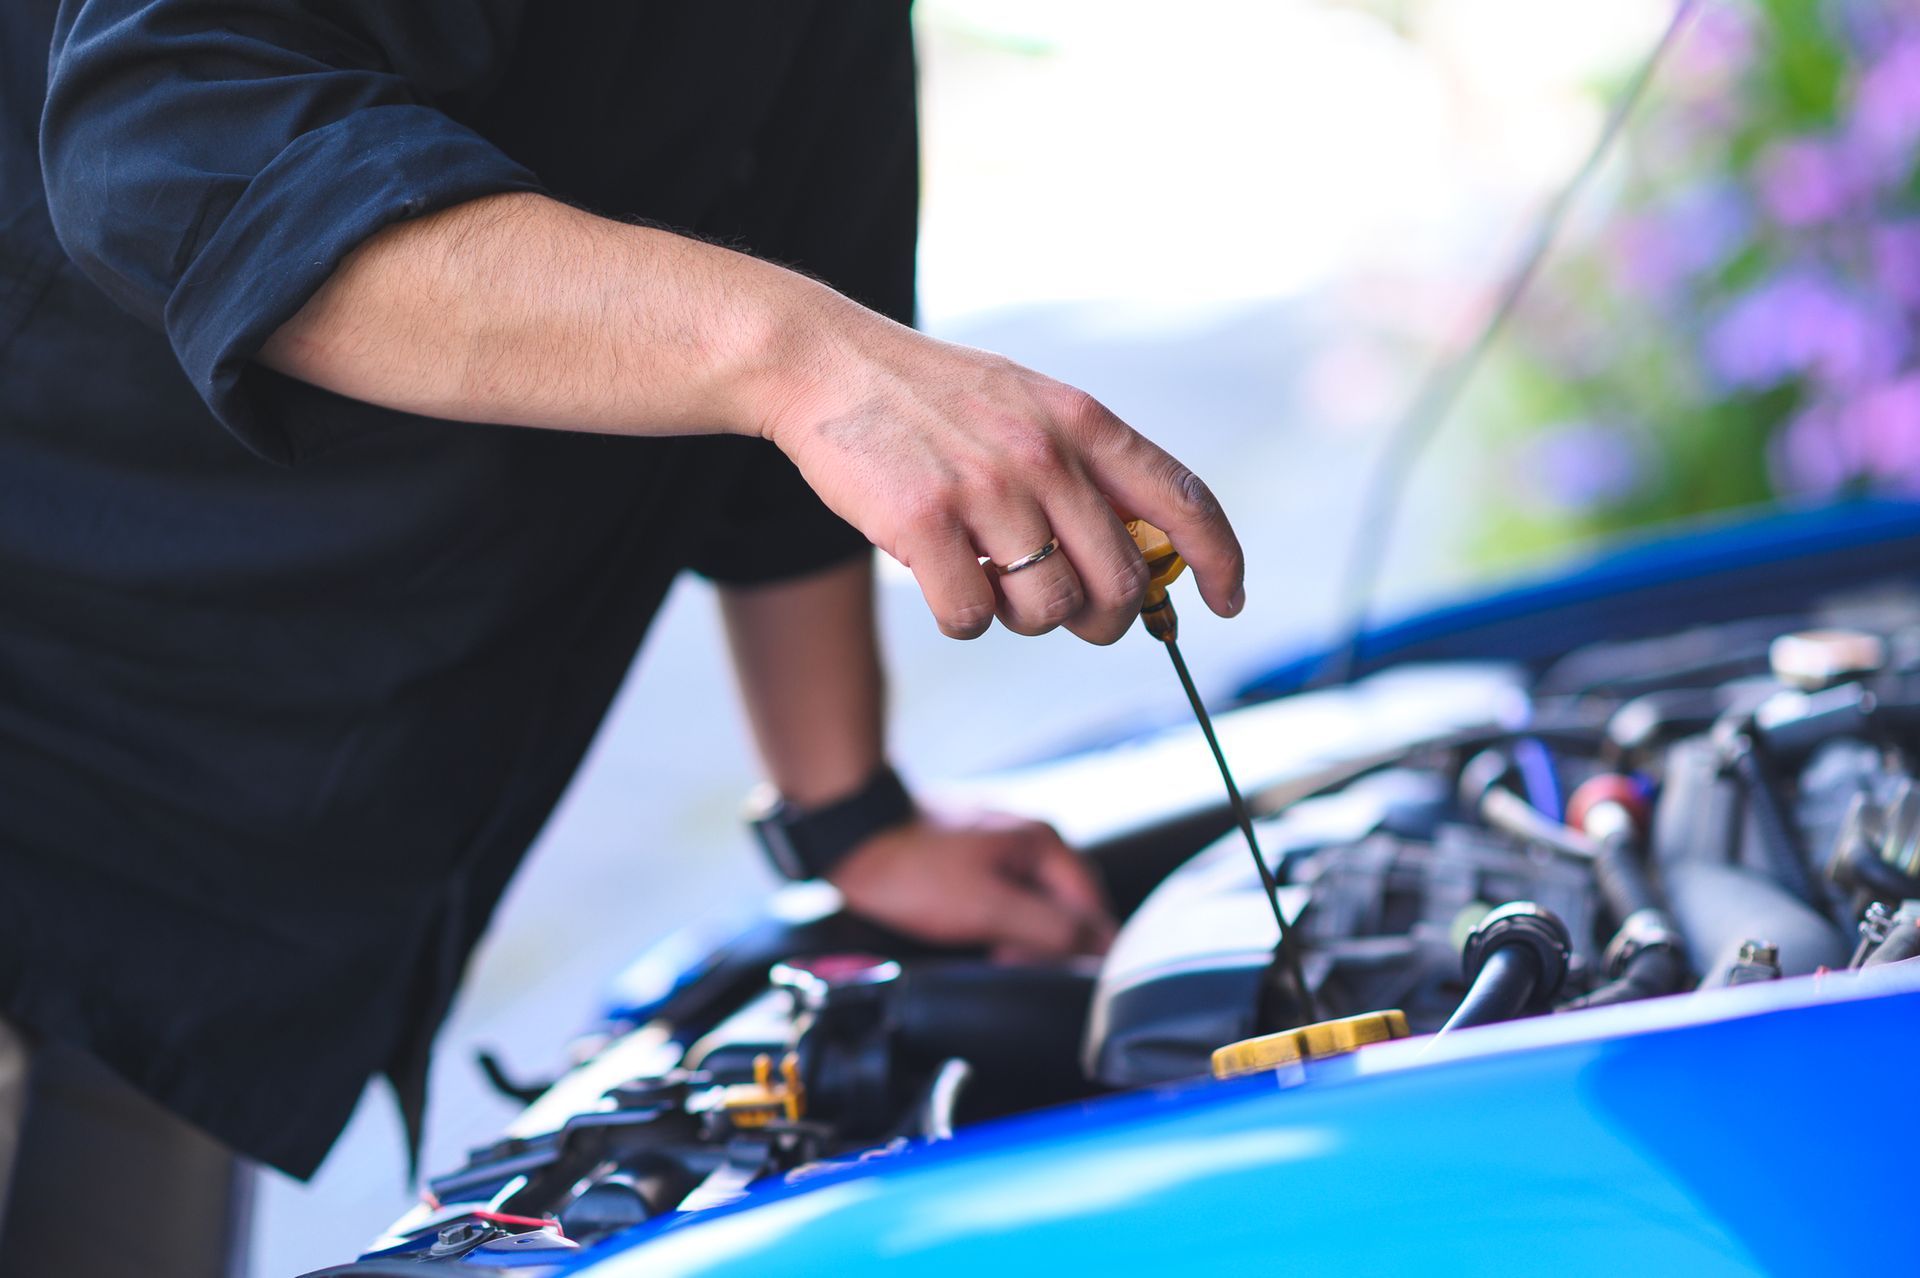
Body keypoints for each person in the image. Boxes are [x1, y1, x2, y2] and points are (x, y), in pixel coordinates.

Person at [0, 2, 1245, 1271]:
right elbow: (174, 136)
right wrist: (809, 362)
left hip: (214, 895)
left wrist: (854, 816)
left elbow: (804, 340)